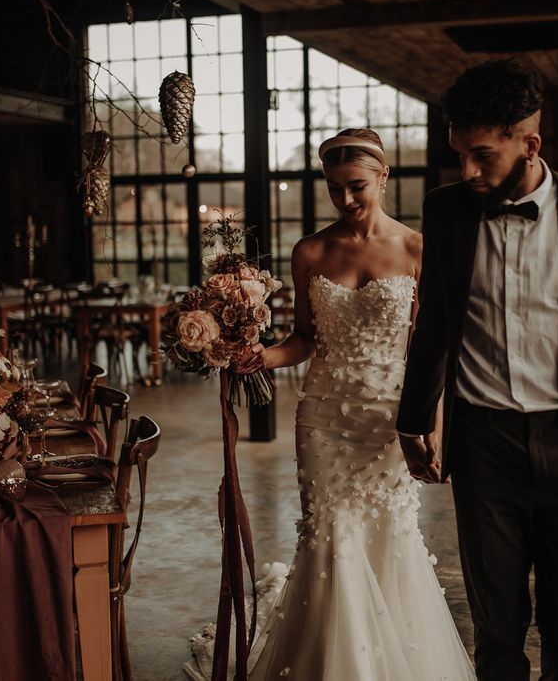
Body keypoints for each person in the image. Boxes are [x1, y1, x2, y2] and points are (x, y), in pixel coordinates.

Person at [184, 128, 476, 681]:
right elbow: (305, 339)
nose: (346, 200)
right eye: (335, 189)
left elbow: (430, 349)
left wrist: (431, 424)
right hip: (323, 417)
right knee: (331, 533)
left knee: (390, 532)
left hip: (391, 418)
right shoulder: (311, 251)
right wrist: (258, 357)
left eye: (357, 186)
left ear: (384, 177)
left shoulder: (418, 249)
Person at [396, 59, 558, 681]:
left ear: (530, 144)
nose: (468, 171)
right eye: (460, 154)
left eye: (483, 155)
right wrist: (412, 422)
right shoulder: (448, 210)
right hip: (485, 444)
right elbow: (433, 323)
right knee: (496, 627)